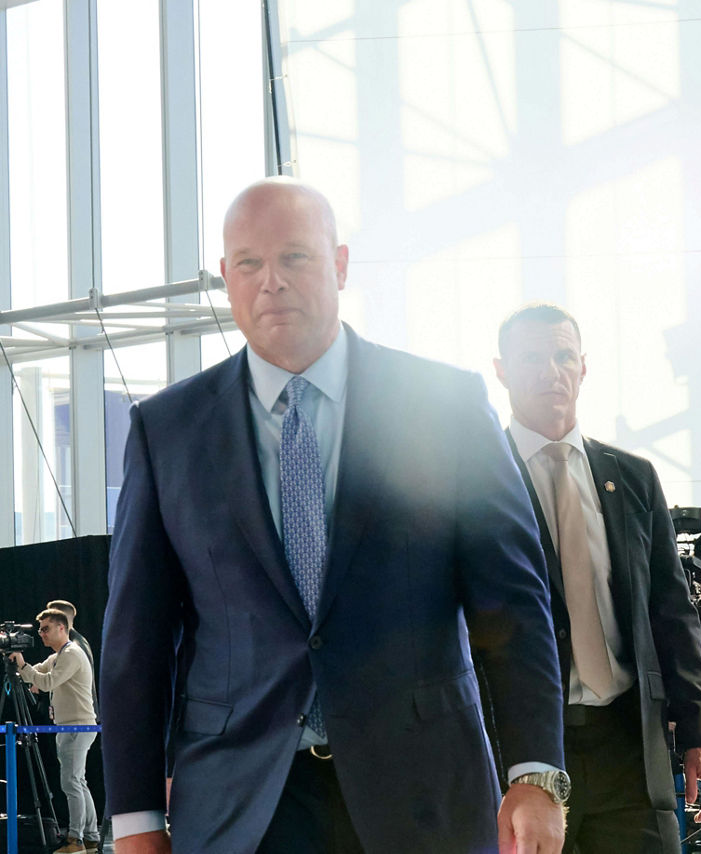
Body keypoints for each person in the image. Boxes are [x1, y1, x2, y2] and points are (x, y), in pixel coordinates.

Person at [101, 178, 566, 854]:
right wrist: (135, 819)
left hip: (423, 795)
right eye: (250, 264)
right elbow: (135, 642)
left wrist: (536, 773)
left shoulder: (446, 406)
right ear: (227, 277)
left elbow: (515, 603)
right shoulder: (166, 431)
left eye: (295, 258)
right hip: (239, 809)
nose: (272, 283)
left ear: (340, 264)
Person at [493, 303, 701, 853]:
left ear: (582, 366)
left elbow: (673, 613)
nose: (550, 370)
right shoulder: (475, 481)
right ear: (501, 370)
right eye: (530, 358)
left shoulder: (633, 477)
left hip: (630, 747)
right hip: (523, 755)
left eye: (562, 355)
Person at [10, 609, 99, 854]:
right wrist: (21, 665)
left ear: (62, 628)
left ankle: (76, 840)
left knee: (71, 783)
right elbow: (37, 674)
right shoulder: (58, 655)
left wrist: (23, 665)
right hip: (70, 726)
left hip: (77, 726)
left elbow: (46, 683)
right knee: (78, 783)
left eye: (46, 628)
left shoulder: (71, 654)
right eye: (39, 629)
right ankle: (90, 838)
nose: (41, 634)